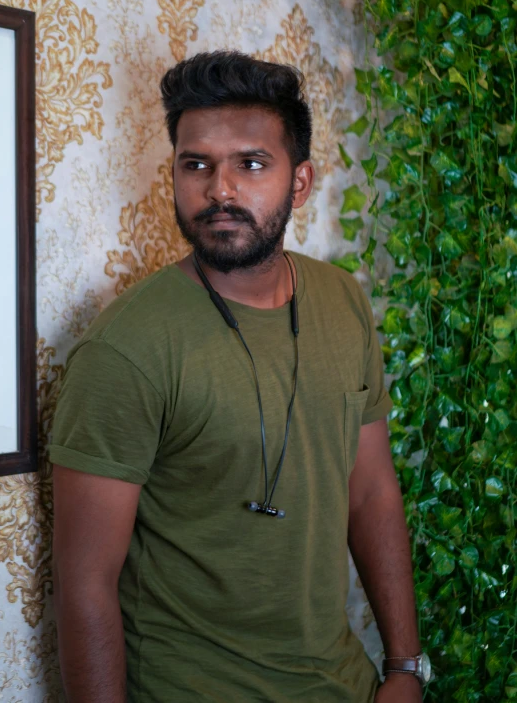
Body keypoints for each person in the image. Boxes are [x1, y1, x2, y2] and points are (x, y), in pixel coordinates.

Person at [50, 50, 427, 703]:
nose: (220, 189)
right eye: (196, 164)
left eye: (250, 163)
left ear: (300, 183)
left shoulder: (343, 302)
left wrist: (405, 667)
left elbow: (370, 491)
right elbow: (86, 585)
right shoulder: (127, 348)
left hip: (343, 682)